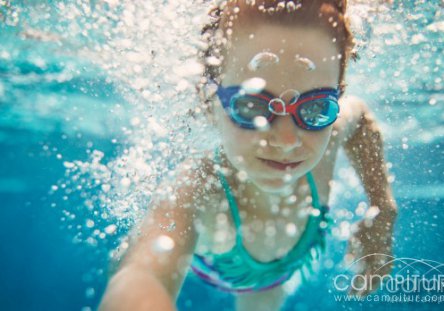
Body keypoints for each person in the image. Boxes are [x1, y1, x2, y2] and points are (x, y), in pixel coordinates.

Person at [99, 1, 398, 310]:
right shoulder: (199, 190)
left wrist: (383, 210)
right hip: (230, 264)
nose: (286, 140)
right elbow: (143, 276)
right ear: (209, 102)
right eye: (252, 105)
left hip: (274, 279)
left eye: (315, 107)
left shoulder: (330, 135)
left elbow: (359, 118)